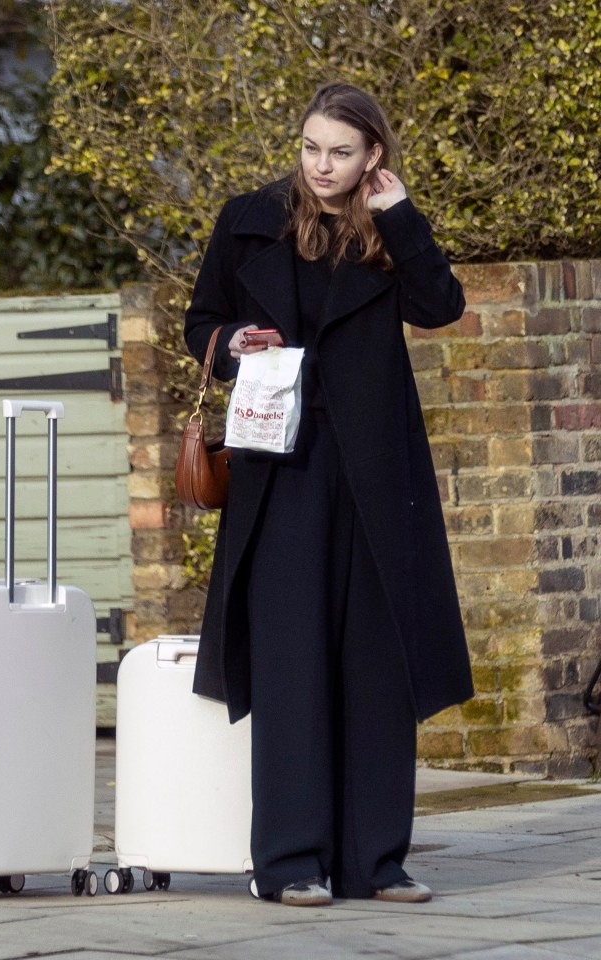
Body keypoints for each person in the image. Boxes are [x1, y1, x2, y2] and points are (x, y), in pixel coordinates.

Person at [183, 81, 474, 908]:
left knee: (377, 666)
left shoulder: (389, 229)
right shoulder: (248, 220)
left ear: (372, 155)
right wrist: (232, 340)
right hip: (282, 473)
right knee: (290, 663)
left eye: (341, 152)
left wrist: (402, 213)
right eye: (311, 147)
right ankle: (288, 862)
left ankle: (376, 861)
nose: (322, 165)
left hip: (378, 477)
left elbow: (440, 307)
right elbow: (199, 321)